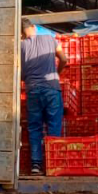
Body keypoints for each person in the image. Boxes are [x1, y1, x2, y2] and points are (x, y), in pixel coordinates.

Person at [21, 18, 68, 175]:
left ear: (21, 33)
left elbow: (18, 72)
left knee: (35, 127)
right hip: (52, 88)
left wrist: (27, 77)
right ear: (34, 27)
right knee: (53, 125)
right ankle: (53, 164)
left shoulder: (20, 46)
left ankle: (36, 165)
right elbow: (64, 59)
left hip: (32, 90)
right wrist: (56, 73)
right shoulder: (50, 39)